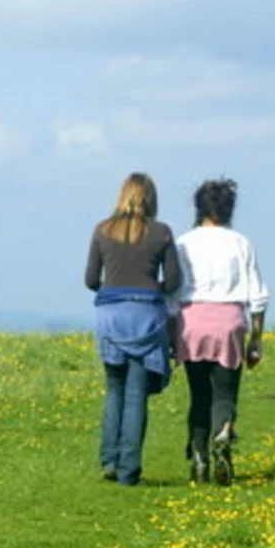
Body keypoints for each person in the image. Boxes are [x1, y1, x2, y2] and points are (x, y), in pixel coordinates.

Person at [170, 178, 268, 485]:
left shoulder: (184, 243)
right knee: (225, 392)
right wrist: (256, 339)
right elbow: (258, 297)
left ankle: (199, 457)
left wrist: (171, 334)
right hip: (229, 321)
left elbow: (173, 294)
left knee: (199, 394)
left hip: (192, 321)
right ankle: (223, 430)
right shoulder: (240, 243)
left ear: (199, 207)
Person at [84, 172, 180, 486]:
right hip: (145, 317)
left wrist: (113, 288)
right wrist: (151, 288)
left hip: (111, 316)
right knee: (136, 392)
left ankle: (109, 460)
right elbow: (174, 282)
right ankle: (129, 470)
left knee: (115, 389)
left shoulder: (102, 229)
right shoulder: (161, 232)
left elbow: (90, 280)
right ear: (151, 198)